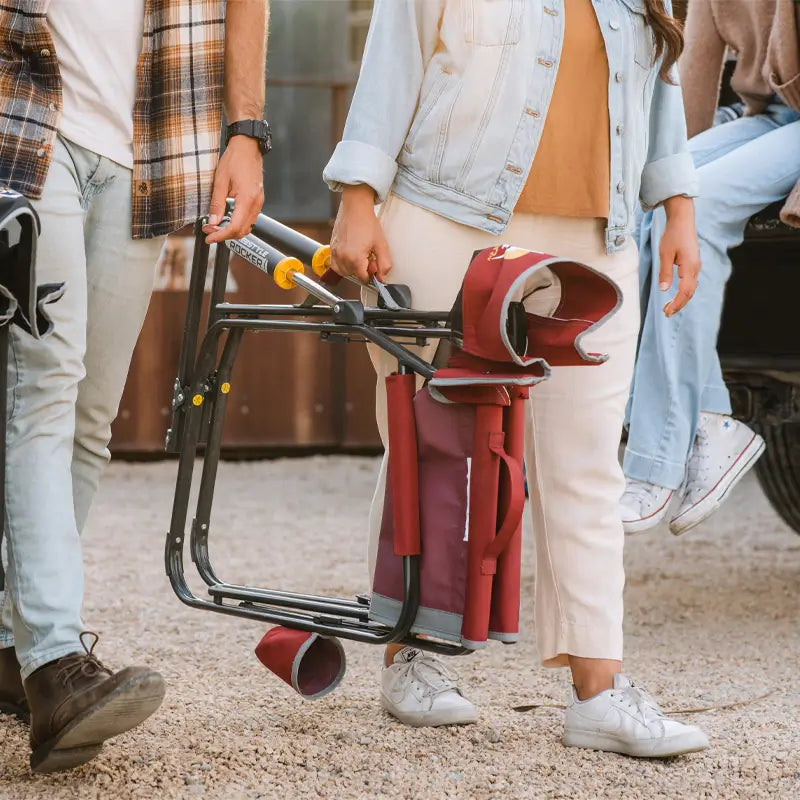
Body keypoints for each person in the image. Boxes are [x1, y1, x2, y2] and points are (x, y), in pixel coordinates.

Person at [325, 0, 709, 758]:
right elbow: (392, 62)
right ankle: (412, 656)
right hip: (449, 222)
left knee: (587, 468)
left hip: (599, 244)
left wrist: (681, 208)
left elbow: (661, 92)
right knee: (436, 447)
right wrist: (357, 199)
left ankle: (600, 694)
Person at [0, 0, 270, 774]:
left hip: (147, 152)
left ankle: (9, 643)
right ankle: (54, 660)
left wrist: (246, 131)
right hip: (27, 128)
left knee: (90, 418)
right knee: (43, 393)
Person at [621, 0, 800, 536]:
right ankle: (708, 419)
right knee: (652, 200)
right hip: (772, 118)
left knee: (701, 207)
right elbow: (695, 72)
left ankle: (656, 461)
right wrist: (665, 173)